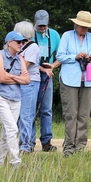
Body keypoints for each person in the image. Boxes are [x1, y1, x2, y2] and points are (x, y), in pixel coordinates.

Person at [57, 11, 91, 157]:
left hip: (88, 79)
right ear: (76, 24)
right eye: (82, 26)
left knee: (84, 115)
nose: (84, 29)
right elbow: (60, 56)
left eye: (87, 27)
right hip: (70, 79)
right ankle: (68, 148)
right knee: (71, 114)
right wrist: (74, 57)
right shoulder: (67, 36)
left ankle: (80, 148)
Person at [0, 31, 30, 167]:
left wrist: (11, 76)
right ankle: (15, 161)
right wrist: (18, 78)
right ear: (9, 42)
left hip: (16, 98)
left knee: (7, 131)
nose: (21, 44)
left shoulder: (20, 58)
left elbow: (27, 80)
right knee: (12, 129)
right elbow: (1, 78)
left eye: (23, 42)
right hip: (0, 96)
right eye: (18, 42)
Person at [32, 9, 60, 152]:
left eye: (44, 25)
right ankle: (29, 142)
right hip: (31, 73)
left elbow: (61, 55)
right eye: (40, 25)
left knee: (46, 109)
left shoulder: (54, 35)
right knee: (31, 108)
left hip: (48, 73)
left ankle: (46, 141)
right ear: (35, 22)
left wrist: (52, 66)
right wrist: (40, 68)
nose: (42, 28)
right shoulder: (30, 34)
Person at [15, 19, 42, 154]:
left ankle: (25, 145)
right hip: (19, 83)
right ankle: (29, 141)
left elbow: (24, 67)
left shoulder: (33, 47)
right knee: (23, 114)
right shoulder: (18, 46)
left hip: (30, 82)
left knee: (27, 113)